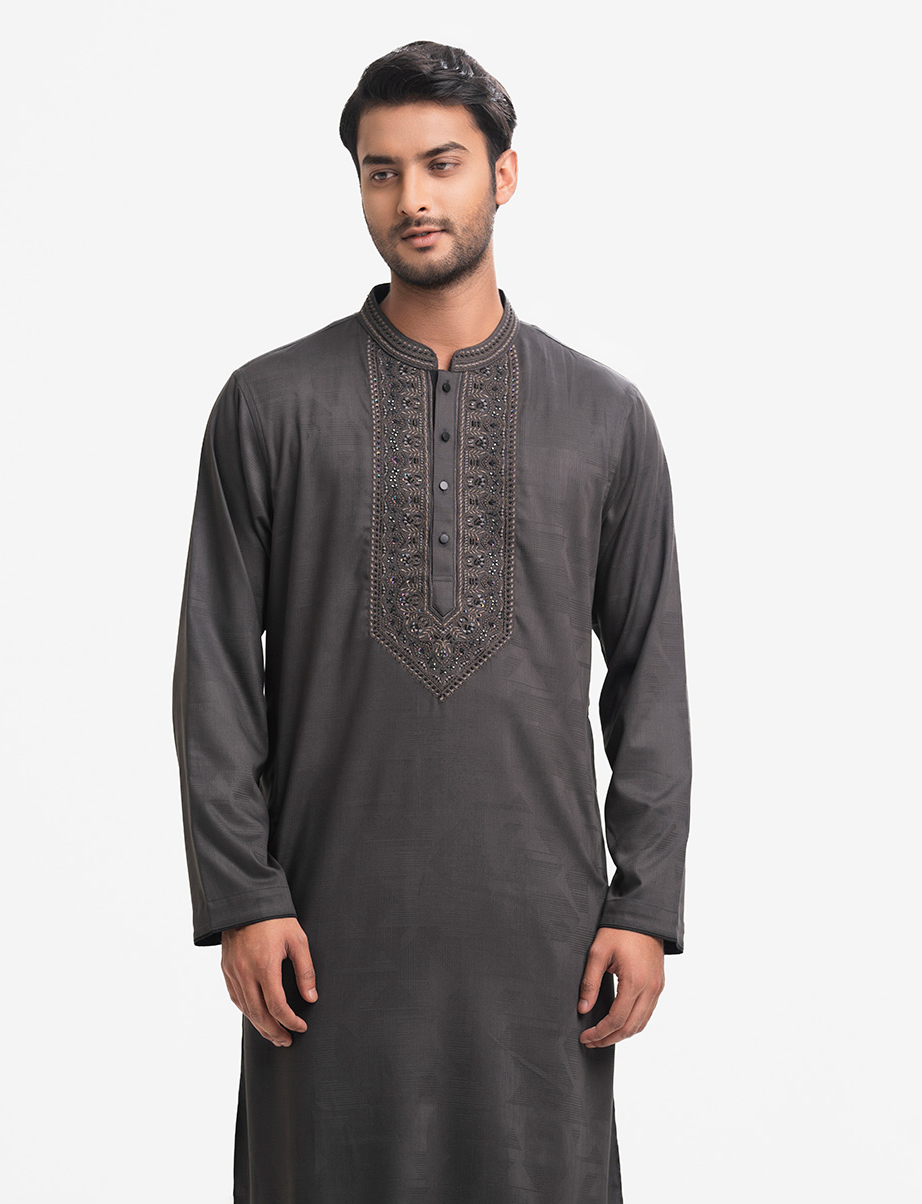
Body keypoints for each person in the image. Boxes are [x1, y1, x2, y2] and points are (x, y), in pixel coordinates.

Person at [172, 38, 692, 1204]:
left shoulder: (604, 417)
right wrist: (244, 897)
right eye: (382, 170)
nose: (412, 197)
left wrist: (644, 903)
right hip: (325, 933)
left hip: (542, 938)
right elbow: (214, 672)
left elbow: (650, 672)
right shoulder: (269, 405)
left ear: (502, 174)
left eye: (441, 164)